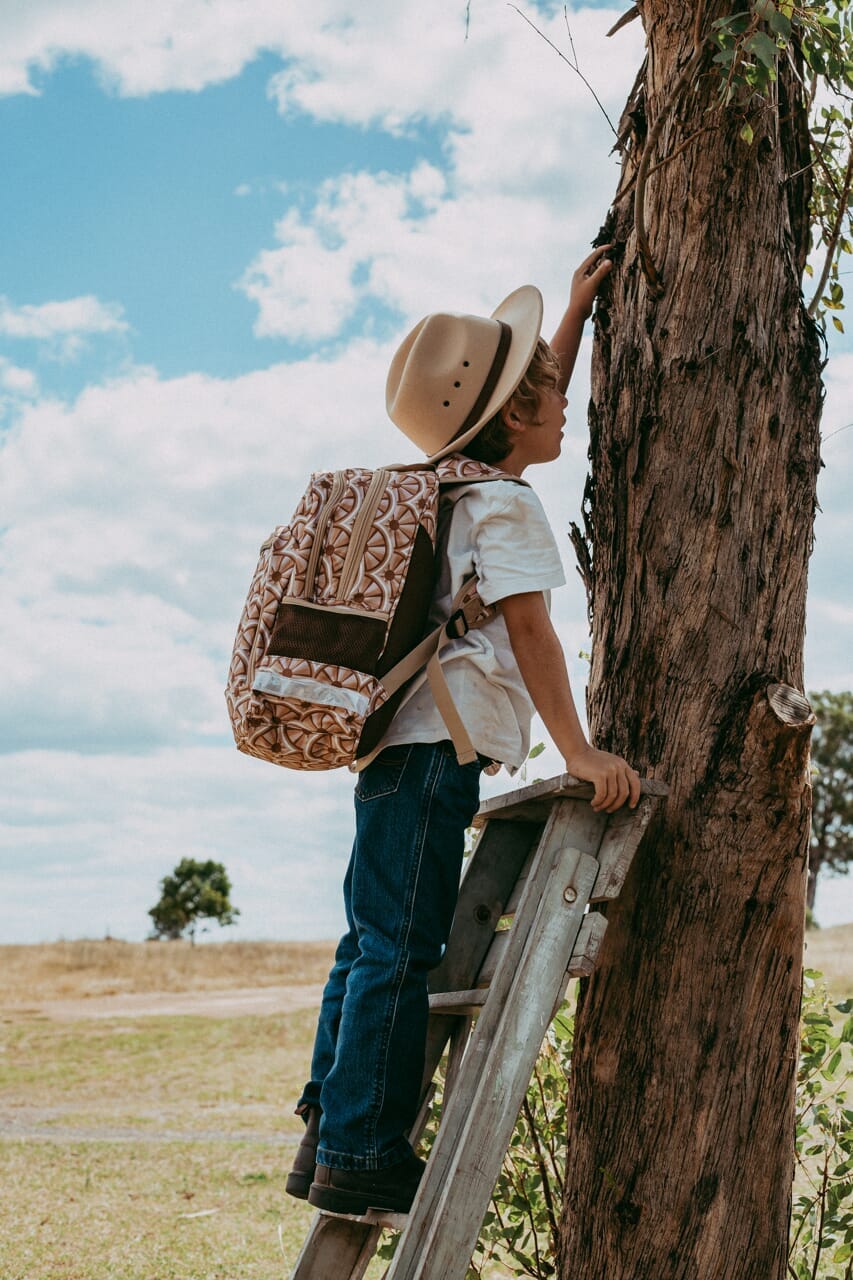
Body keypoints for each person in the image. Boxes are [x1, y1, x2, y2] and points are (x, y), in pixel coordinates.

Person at [286, 246, 641, 1217]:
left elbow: (529, 401)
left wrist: (572, 313)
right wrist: (578, 750)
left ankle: (328, 1122)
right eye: (541, 389)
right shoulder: (506, 503)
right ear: (508, 418)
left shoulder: (451, 485)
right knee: (398, 951)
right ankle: (361, 1150)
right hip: (436, 756)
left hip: (391, 751)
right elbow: (530, 630)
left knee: (370, 943)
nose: (560, 398)